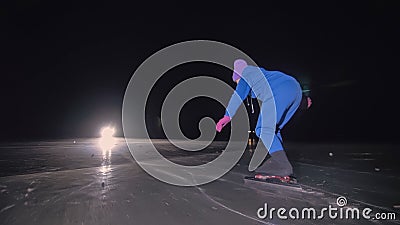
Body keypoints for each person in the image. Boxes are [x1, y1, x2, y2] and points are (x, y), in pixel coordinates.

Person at [216, 59, 309, 181]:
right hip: (295, 89)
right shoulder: (261, 75)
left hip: (279, 91)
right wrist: (303, 99)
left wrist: (227, 115)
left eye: (237, 81)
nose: (238, 84)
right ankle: (276, 161)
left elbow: (238, 95)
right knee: (274, 130)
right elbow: (287, 85)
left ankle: (282, 165)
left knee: (263, 129)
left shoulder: (245, 74)